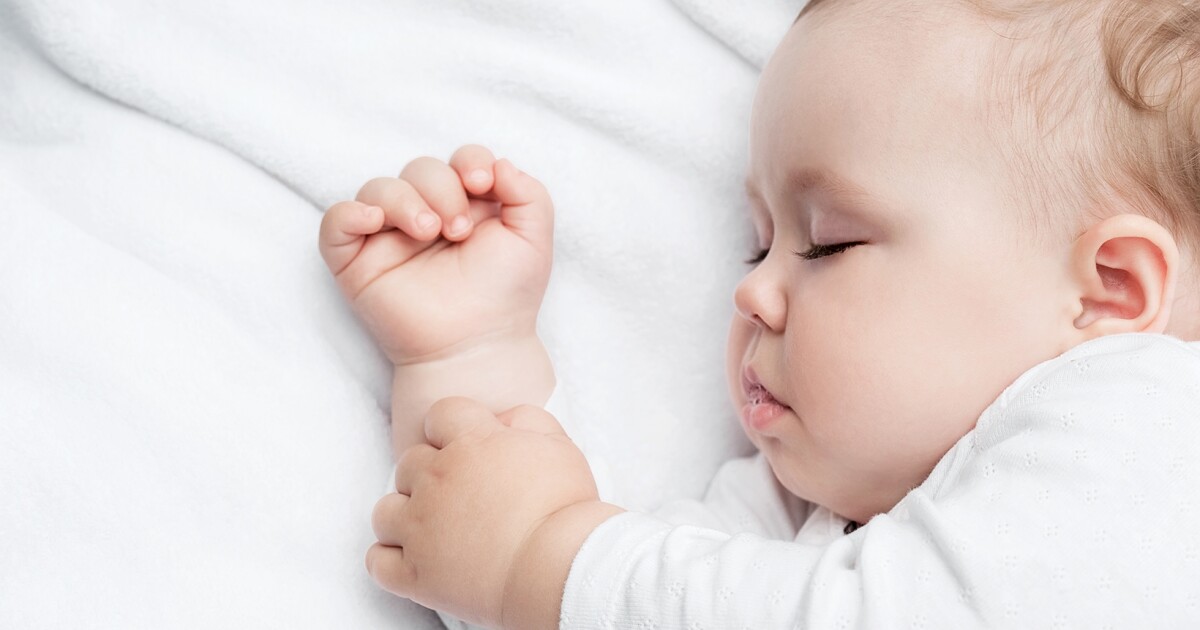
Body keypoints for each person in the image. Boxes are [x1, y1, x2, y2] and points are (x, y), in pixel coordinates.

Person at [318, 0, 1200, 627]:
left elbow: (582, 583)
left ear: (1110, 288)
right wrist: (467, 358)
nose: (749, 294)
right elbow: (599, 601)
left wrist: (536, 561)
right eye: (756, 244)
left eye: (828, 243)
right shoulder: (807, 504)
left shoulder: (1150, 419)